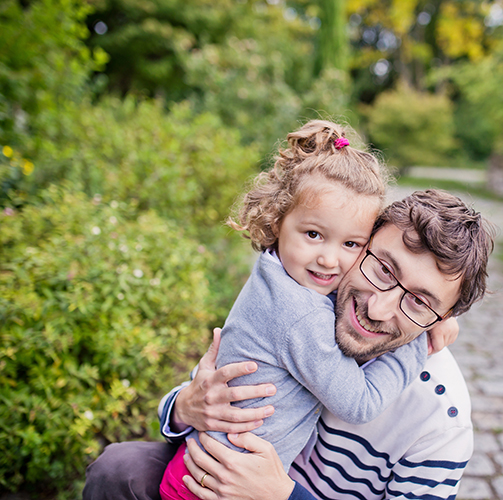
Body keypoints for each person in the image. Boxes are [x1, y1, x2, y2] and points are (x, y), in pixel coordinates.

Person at [83, 189, 494, 500]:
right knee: (119, 467)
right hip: (208, 475)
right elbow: (210, 396)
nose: (380, 309)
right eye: (383, 268)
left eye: (419, 302)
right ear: (358, 247)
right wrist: (184, 407)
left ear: (442, 318)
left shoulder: (440, 419)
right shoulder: (309, 303)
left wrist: (283, 496)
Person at [158, 121, 453, 500]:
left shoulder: (277, 273)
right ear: (278, 221)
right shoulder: (301, 317)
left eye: (351, 243)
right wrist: (418, 339)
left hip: (201, 466)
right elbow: (360, 403)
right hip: (215, 485)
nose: (329, 260)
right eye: (313, 234)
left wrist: (426, 305)